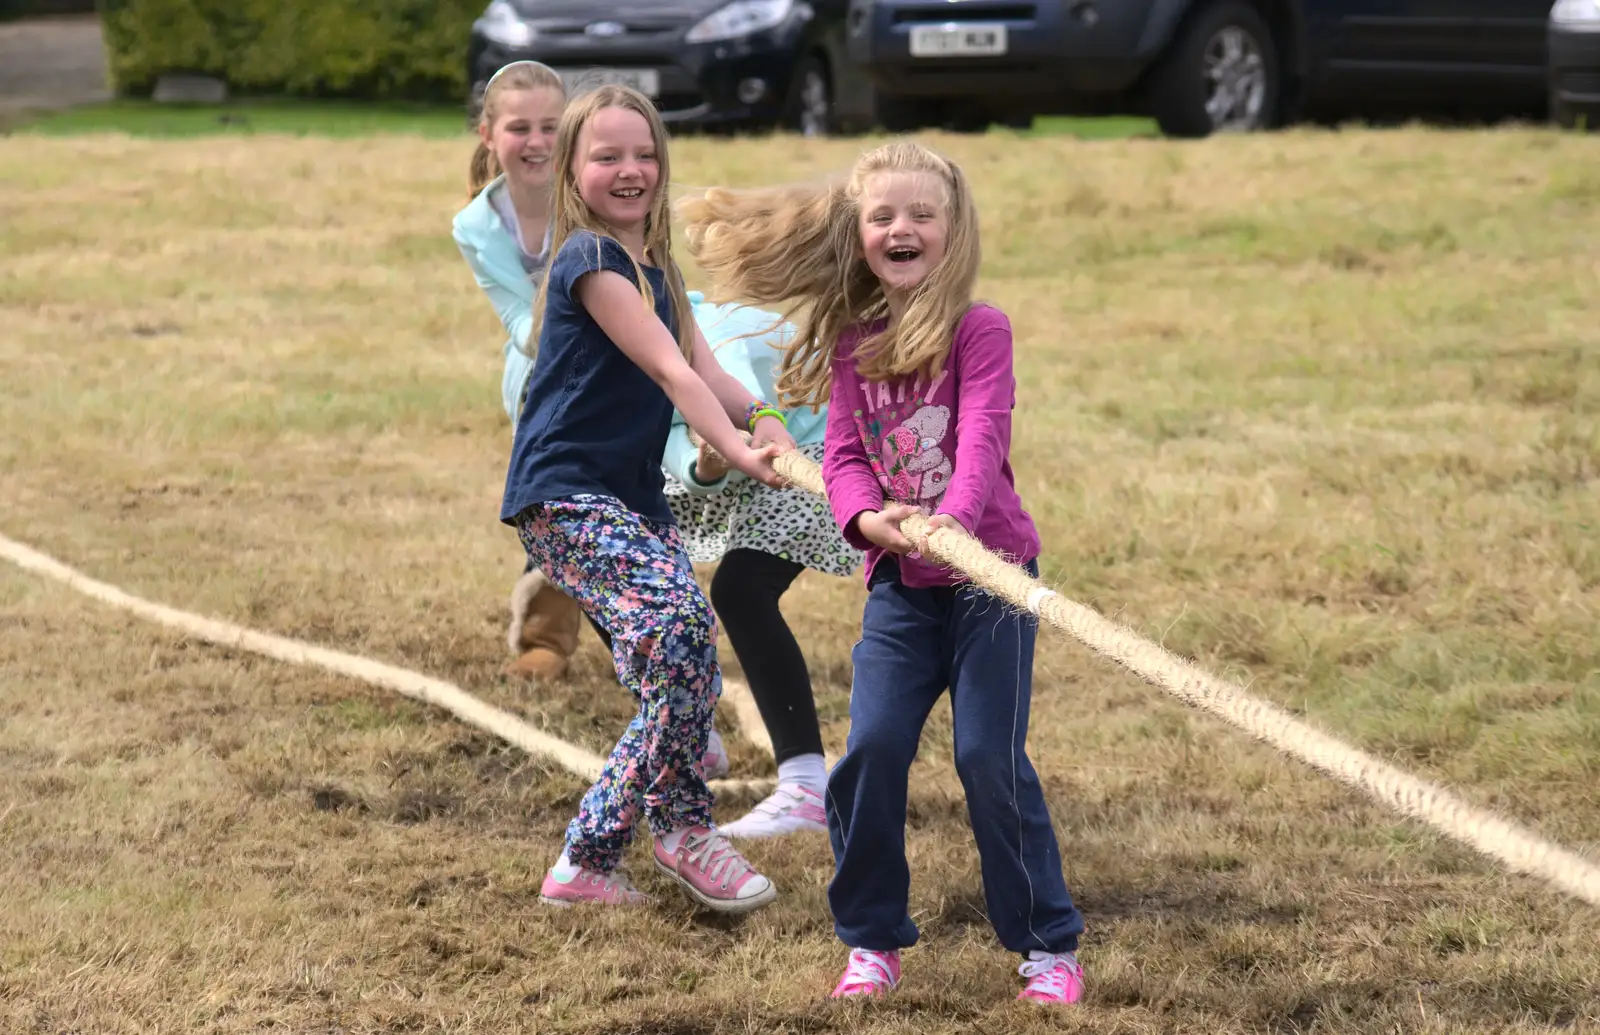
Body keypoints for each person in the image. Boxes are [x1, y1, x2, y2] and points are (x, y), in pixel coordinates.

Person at [681, 141, 1088, 1001]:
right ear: (861, 234)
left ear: (954, 231)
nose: (901, 228)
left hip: (989, 580)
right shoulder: (857, 342)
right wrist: (866, 520)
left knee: (987, 757)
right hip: (901, 588)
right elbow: (842, 454)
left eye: (921, 215)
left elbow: (982, 434)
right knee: (870, 749)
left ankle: (1048, 944)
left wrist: (952, 522)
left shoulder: (982, 329)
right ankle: (871, 939)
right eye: (883, 216)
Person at [503, 83, 792, 913]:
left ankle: (654, 830)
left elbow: (705, 369)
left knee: (683, 658)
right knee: (680, 633)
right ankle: (645, 839)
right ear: (572, 167)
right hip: (566, 494)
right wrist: (736, 450)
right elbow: (668, 370)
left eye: (645, 154)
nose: (630, 170)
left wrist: (764, 417)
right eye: (607, 156)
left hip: (631, 498)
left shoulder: (655, 266)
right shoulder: (590, 260)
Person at [666, 293, 862, 839]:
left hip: (811, 450)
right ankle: (686, 727)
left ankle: (805, 787)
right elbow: (678, 454)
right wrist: (702, 463)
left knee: (741, 590)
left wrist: (716, 453)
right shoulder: (629, 349)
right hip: (740, 457)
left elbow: (749, 423)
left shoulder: (709, 341)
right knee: (620, 557)